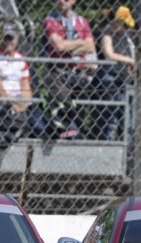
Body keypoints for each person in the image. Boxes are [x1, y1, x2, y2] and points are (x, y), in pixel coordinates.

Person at [42, 0, 96, 139]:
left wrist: (68, 45)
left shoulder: (81, 21)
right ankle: (65, 129)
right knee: (62, 104)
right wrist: (80, 43)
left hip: (78, 71)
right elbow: (58, 46)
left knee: (81, 109)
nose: (61, 1)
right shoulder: (50, 20)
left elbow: (90, 47)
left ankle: (79, 131)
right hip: (57, 70)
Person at [93, 6, 135, 141]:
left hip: (123, 79)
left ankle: (127, 152)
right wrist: (129, 60)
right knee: (111, 120)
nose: (124, 27)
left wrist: (131, 67)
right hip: (109, 78)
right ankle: (108, 149)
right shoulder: (107, 33)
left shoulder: (124, 37)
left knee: (127, 120)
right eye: (122, 23)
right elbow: (109, 54)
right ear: (115, 21)